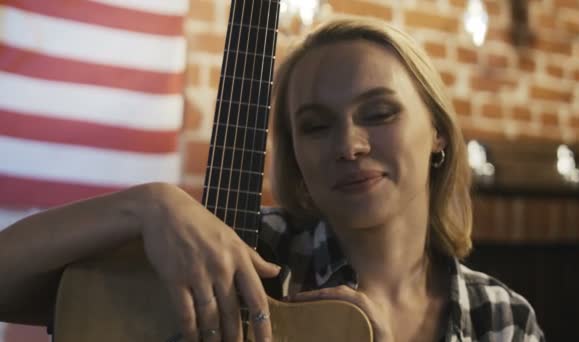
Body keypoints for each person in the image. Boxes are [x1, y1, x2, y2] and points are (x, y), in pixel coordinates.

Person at [0, 17, 544, 342]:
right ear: (295, 153)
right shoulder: (234, 253)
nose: (349, 146)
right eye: (314, 125)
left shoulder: (501, 319)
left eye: (379, 113)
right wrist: (148, 206)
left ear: (439, 134)